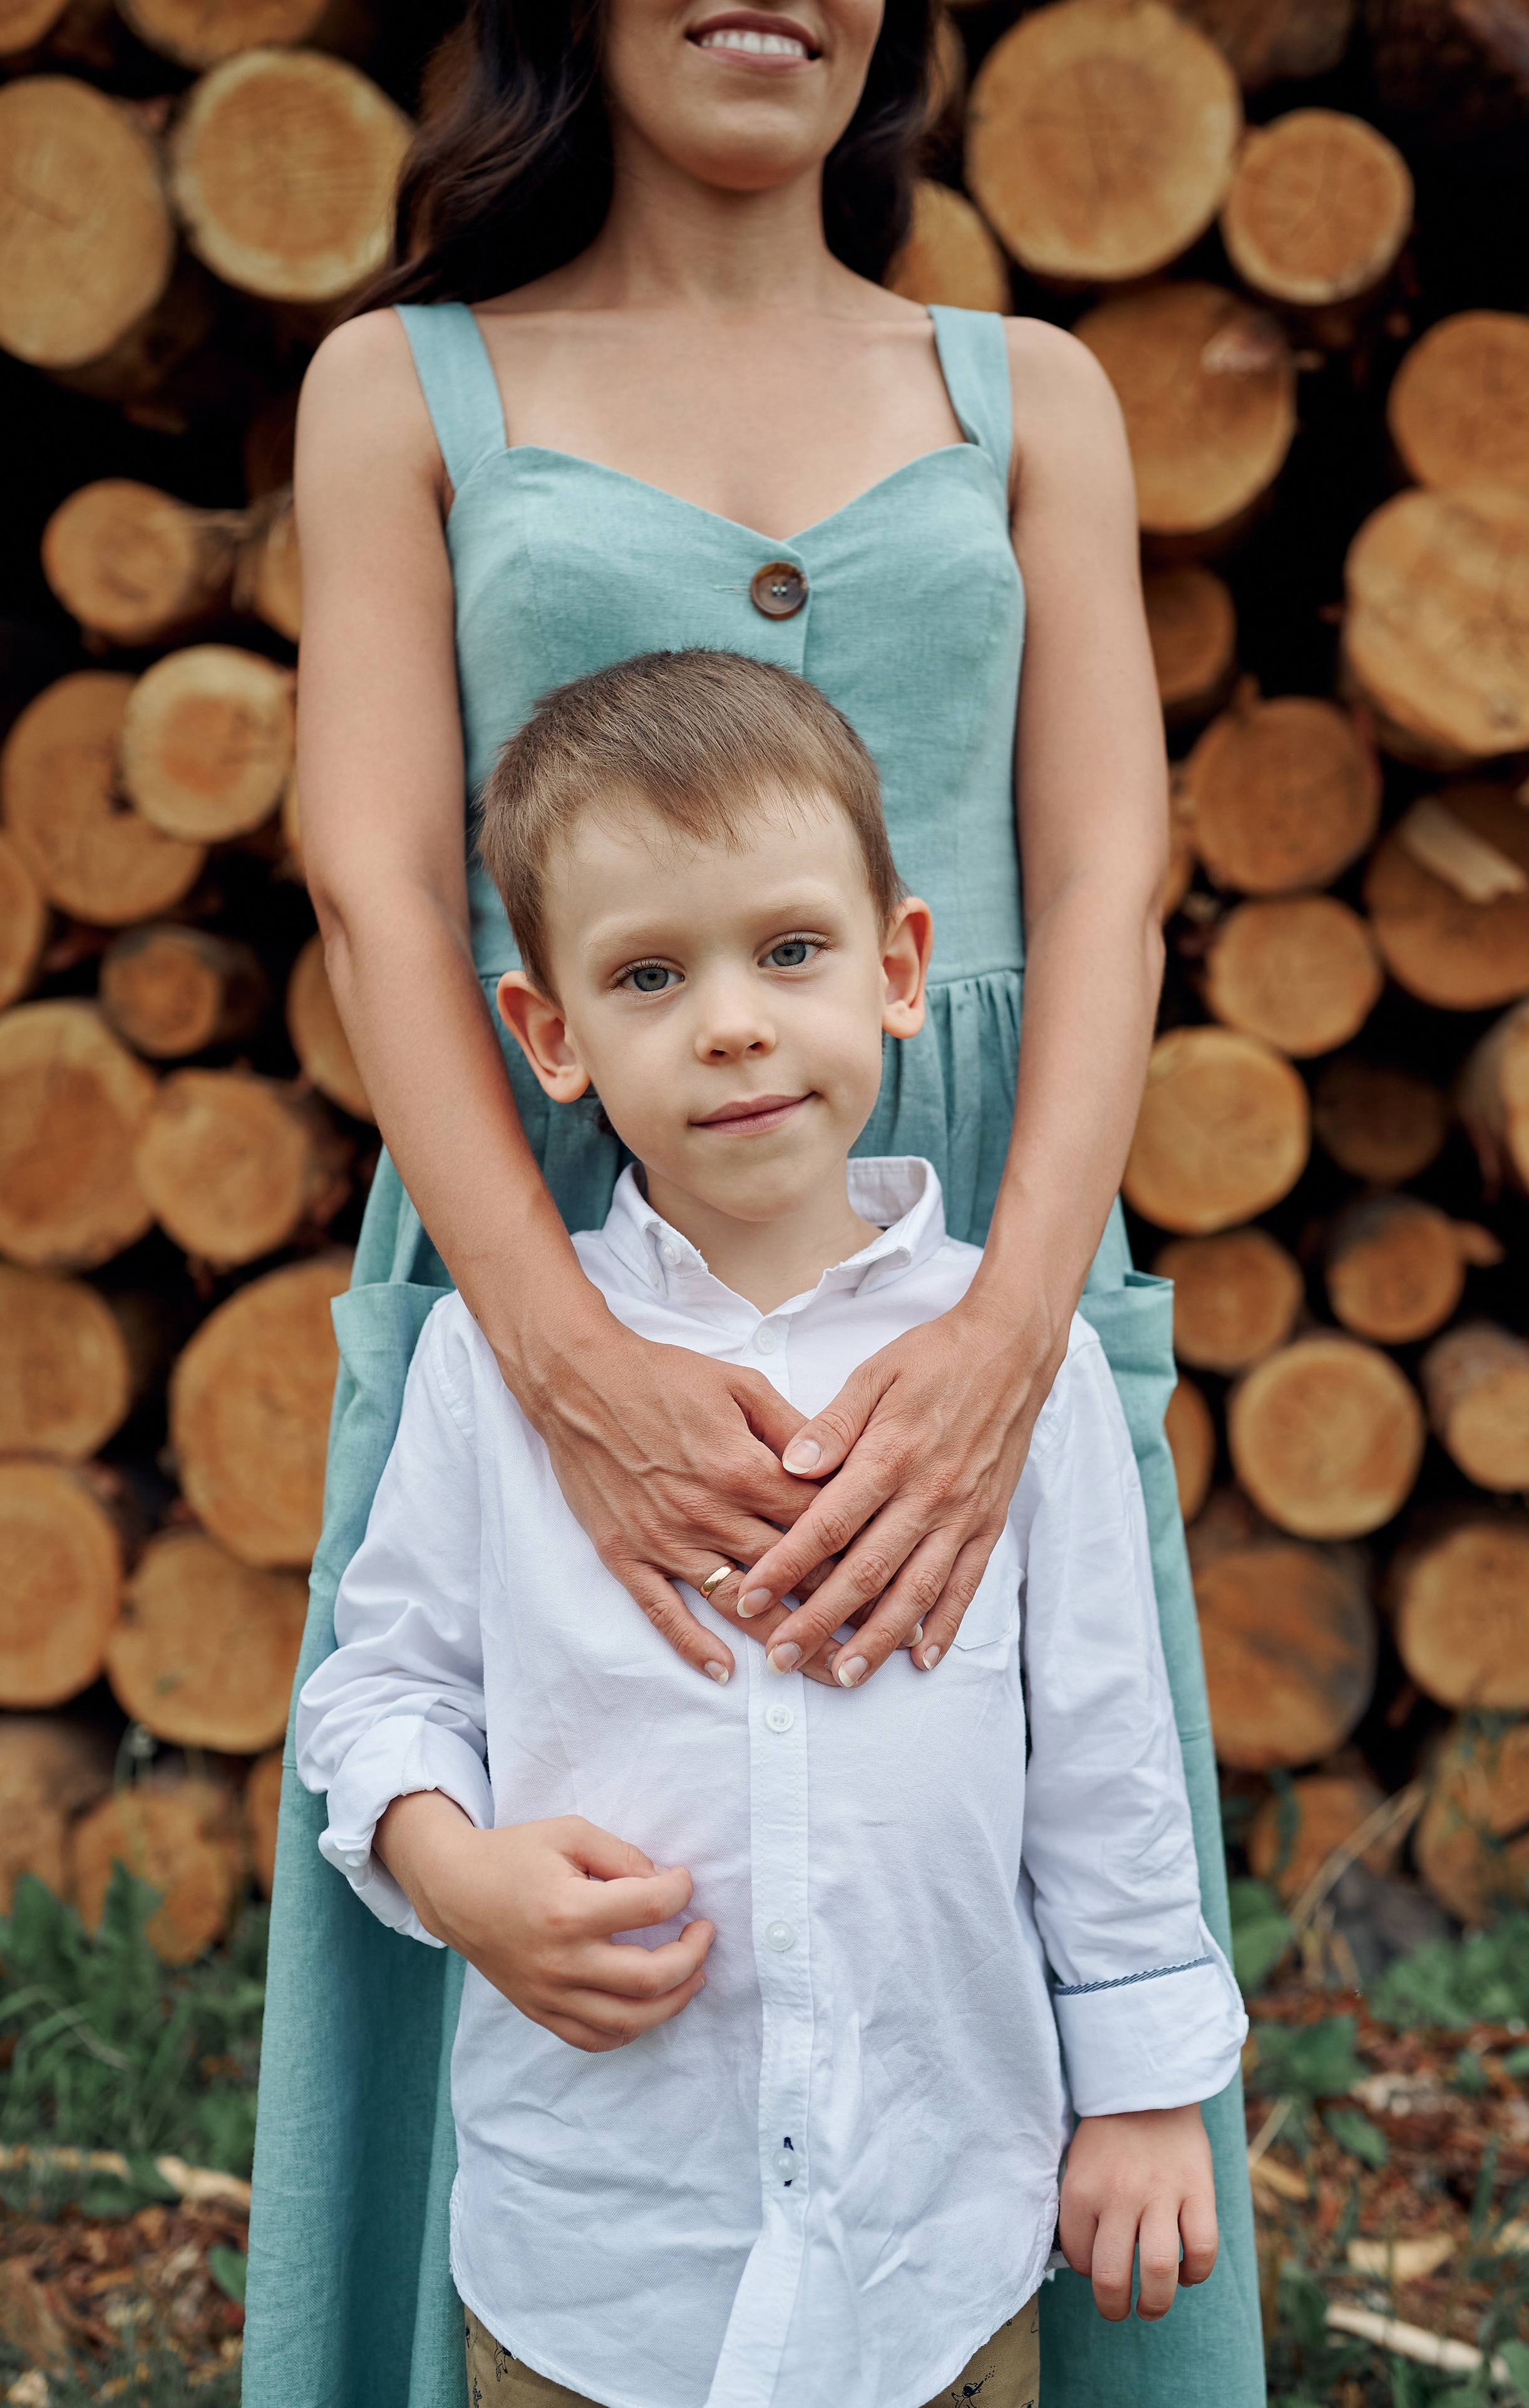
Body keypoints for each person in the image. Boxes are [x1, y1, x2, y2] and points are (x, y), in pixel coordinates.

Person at [245, 0, 1264, 2399]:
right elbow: (386, 888)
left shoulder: (1029, 393)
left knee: (1012, 1795)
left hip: (969, 1227)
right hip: (543, 1221)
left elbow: (1110, 883)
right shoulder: (410, 389)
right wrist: (560, 1351)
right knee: (582, 1836)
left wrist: (1018, 1323)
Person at [295, 650, 1249, 2408]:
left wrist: (1139, 2091)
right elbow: (381, 1688)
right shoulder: (495, 1370)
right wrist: (449, 1868)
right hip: (597, 2249)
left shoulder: (1000, 1368)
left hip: (935, 2241)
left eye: (788, 951)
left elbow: (1107, 1752)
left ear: (897, 971)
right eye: (650, 975)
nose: (733, 1021)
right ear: (552, 1036)